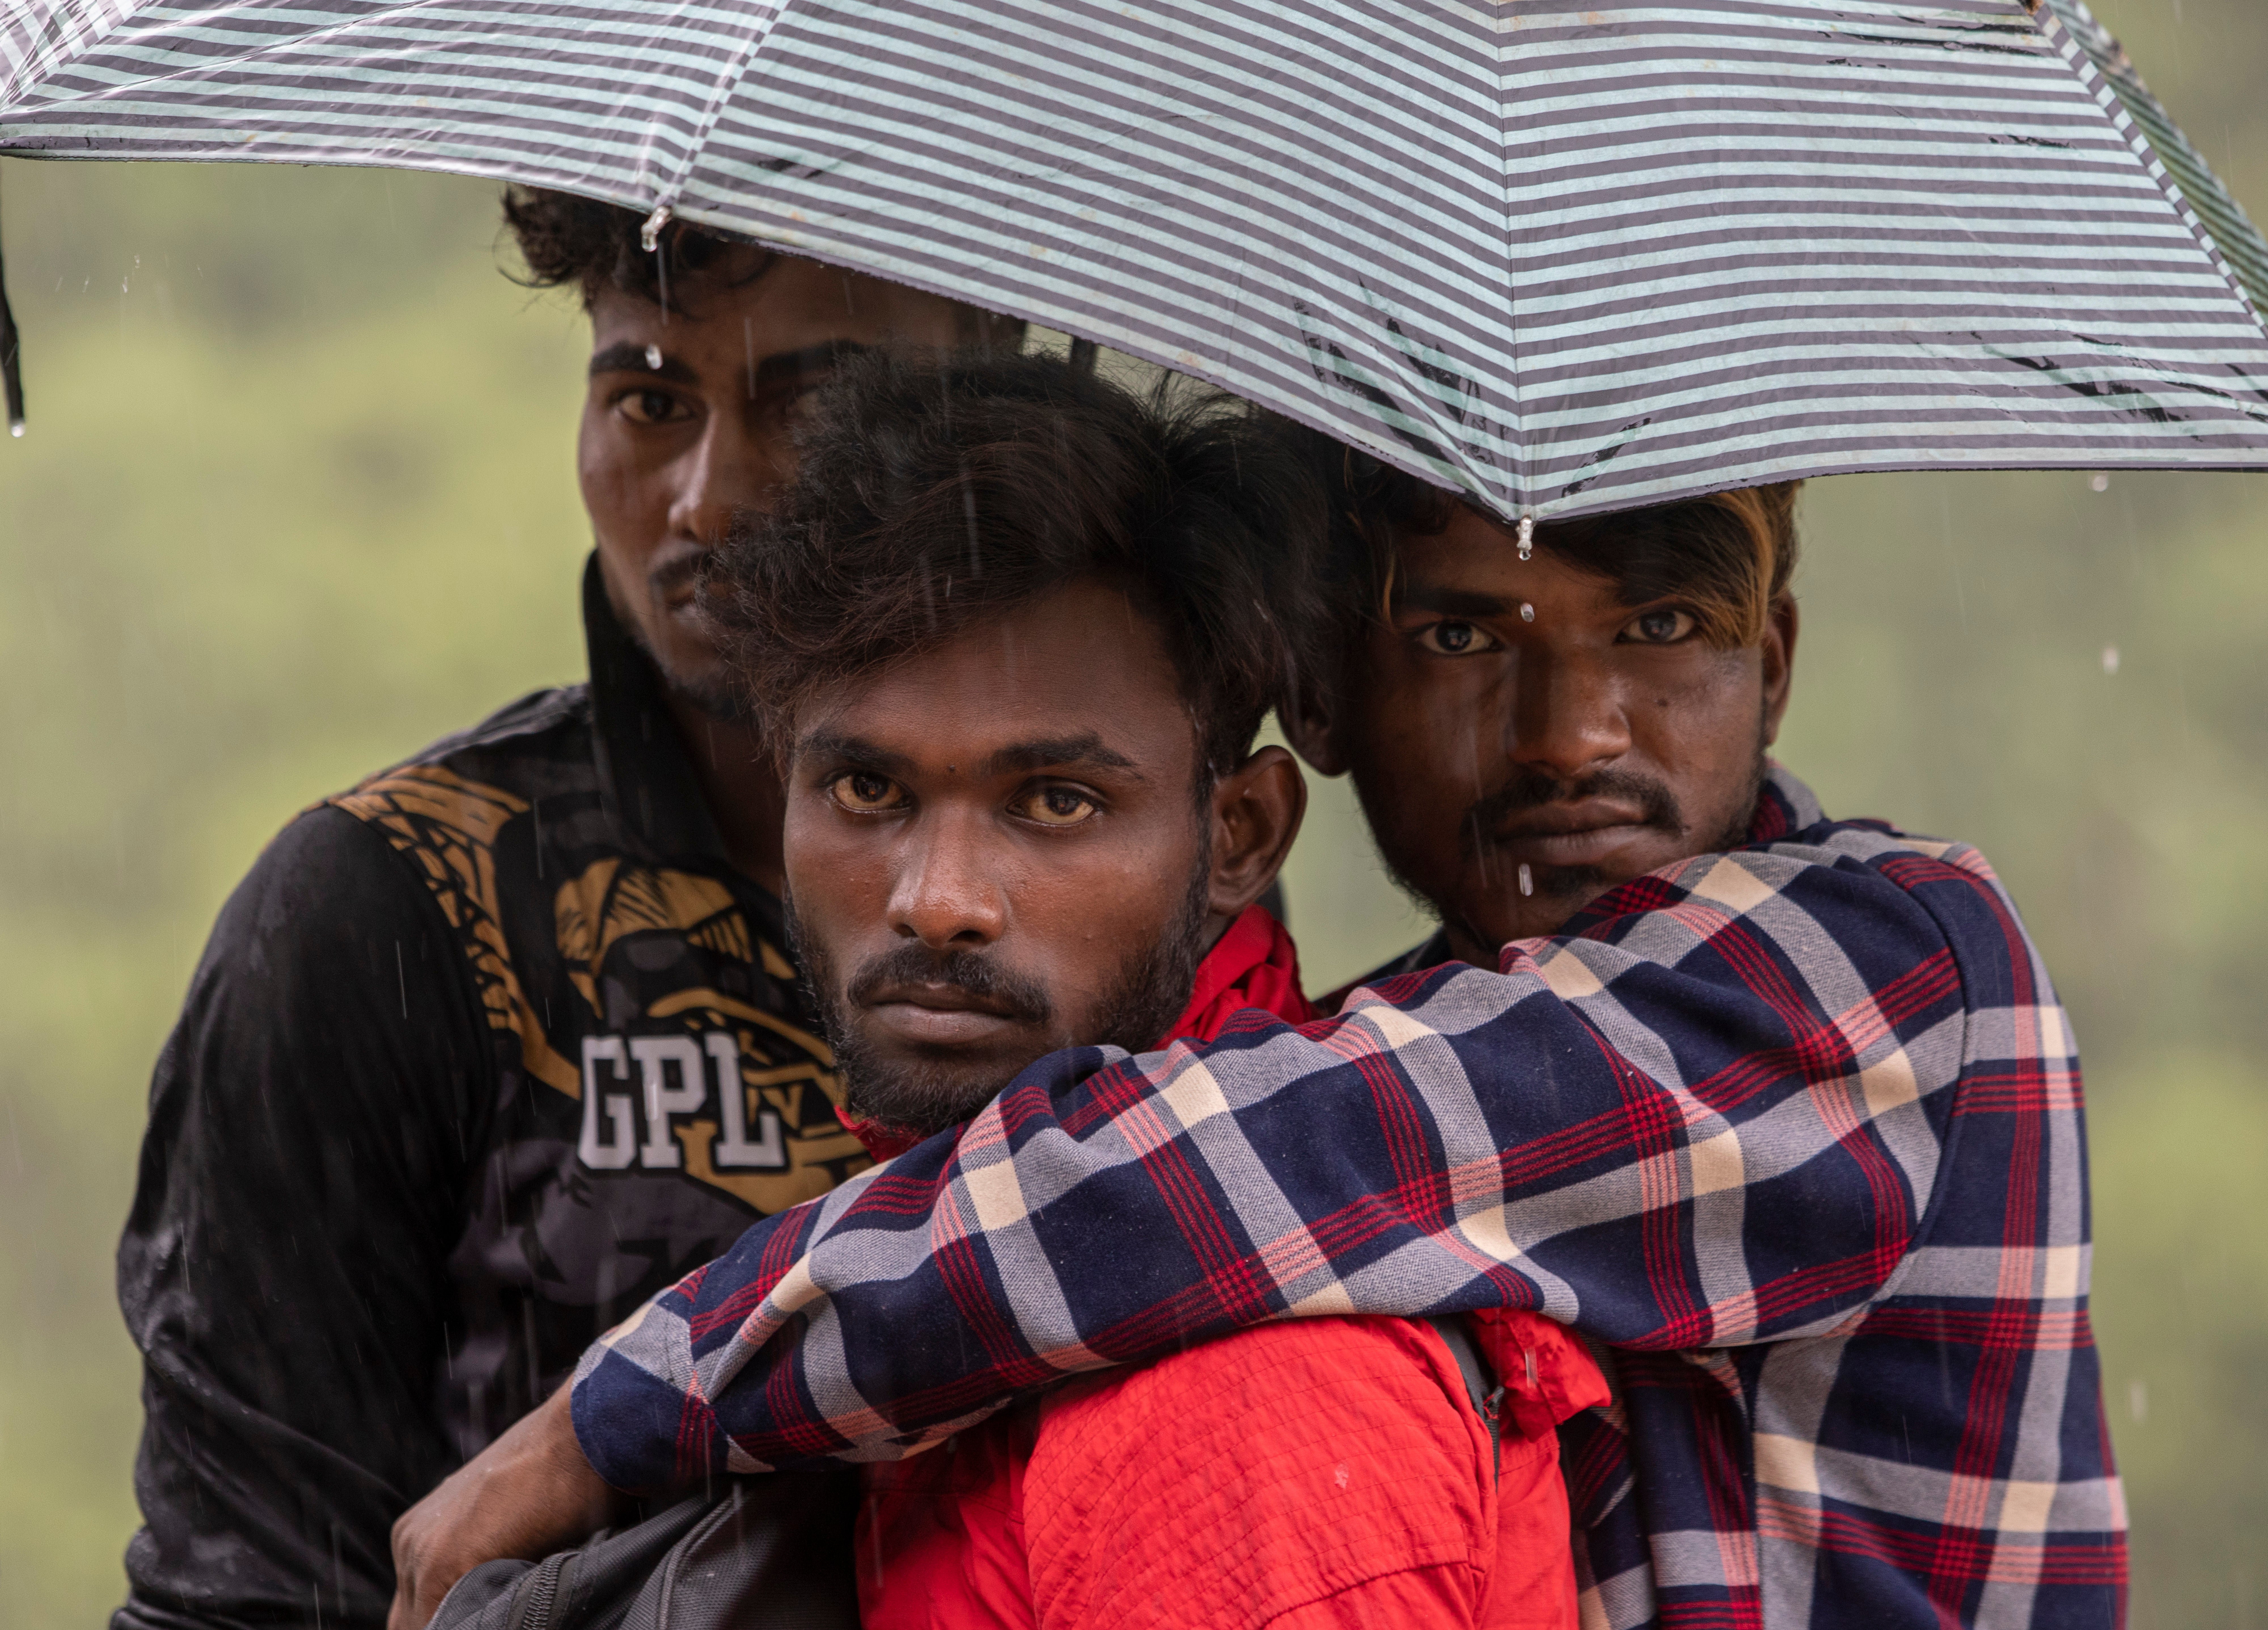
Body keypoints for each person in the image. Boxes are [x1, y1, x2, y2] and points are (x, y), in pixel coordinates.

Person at [404, 455, 2124, 1627]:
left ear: (1779, 657)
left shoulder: (1883, 959)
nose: (1572, 729)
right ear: (1327, 696)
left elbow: (1201, 1181)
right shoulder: (1424, 1046)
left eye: (1664, 629)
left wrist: (621, 1409)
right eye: (1462, 634)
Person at [112, 190, 1016, 1630]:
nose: (709, 499)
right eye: (649, 399)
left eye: (821, 400)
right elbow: (247, 1590)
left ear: (996, 390)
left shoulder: (1114, 885)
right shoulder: (387, 904)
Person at [732, 348, 1609, 1629]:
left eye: (1056, 801)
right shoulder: (990, 1278)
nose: (936, 896)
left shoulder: (1235, 1400)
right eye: (868, 790)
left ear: (1241, 838)